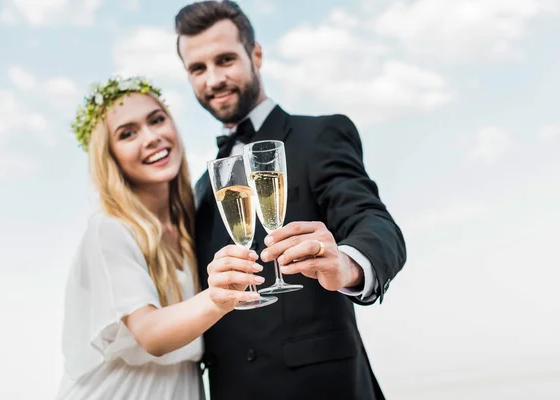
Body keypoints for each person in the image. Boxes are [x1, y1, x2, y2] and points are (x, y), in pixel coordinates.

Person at [175, 2, 407, 399]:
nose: (213, 79)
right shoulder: (201, 187)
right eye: (198, 69)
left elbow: (374, 222)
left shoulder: (319, 135)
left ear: (256, 55)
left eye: (225, 59)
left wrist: (347, 263)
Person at [57, 76, 264, 399]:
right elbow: (150, 333)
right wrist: (216, 297)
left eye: (157, 120)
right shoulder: (110, 229)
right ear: (109, 157)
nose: (151, 137)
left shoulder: (191, 223)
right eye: (127, 134)